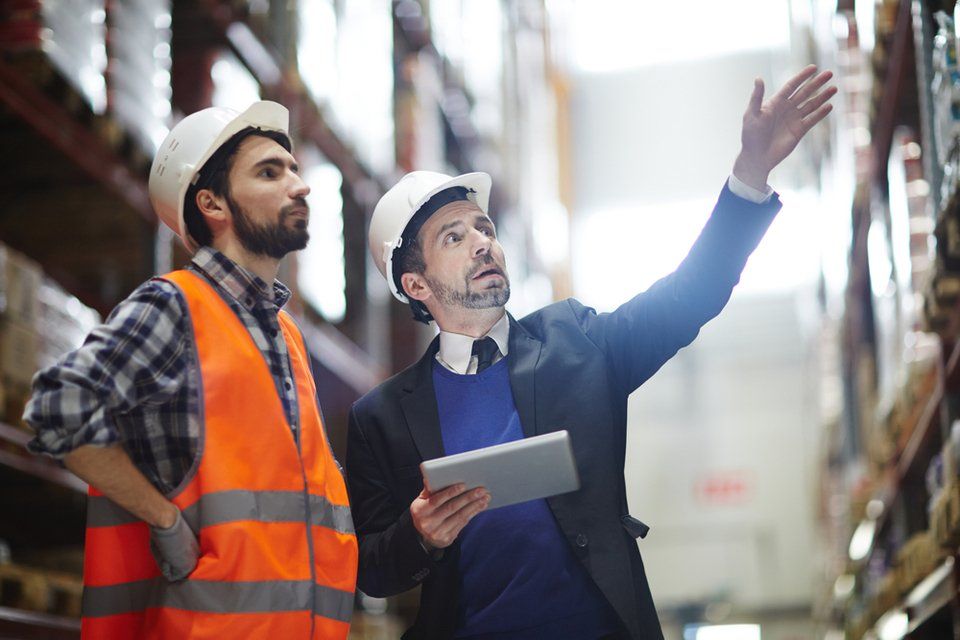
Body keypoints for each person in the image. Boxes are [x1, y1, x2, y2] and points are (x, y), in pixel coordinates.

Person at [346, 66, 836, 639]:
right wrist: (420, 533)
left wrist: (750, 174)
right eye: (454, 237)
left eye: (484, 227)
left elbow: (688, 295)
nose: (483, 241)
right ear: (417, 286)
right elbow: (371, 569)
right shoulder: (381, 417)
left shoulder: (574, 342)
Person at [23, 101, 357, 639]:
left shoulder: (285, 334)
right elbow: (58, 409)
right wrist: (164, 520)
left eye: (294, 169)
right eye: (270, 172)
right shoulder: (175, 307)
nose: (300, 185)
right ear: (213, 204)